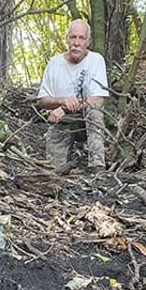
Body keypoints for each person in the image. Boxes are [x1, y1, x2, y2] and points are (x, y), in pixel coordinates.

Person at [37, 19, 109, 174]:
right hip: (63, 121)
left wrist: (65, 108)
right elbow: (42, 100)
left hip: (87, 119)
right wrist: (62, 101)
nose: (76, 42)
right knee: (55, 169)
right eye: (73, 37)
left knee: (95, 111)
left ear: (88, 42)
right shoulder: (54, 63)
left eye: (81, 38)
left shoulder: (96, 60)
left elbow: (97, 99)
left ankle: (98, 168)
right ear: (67, 39)